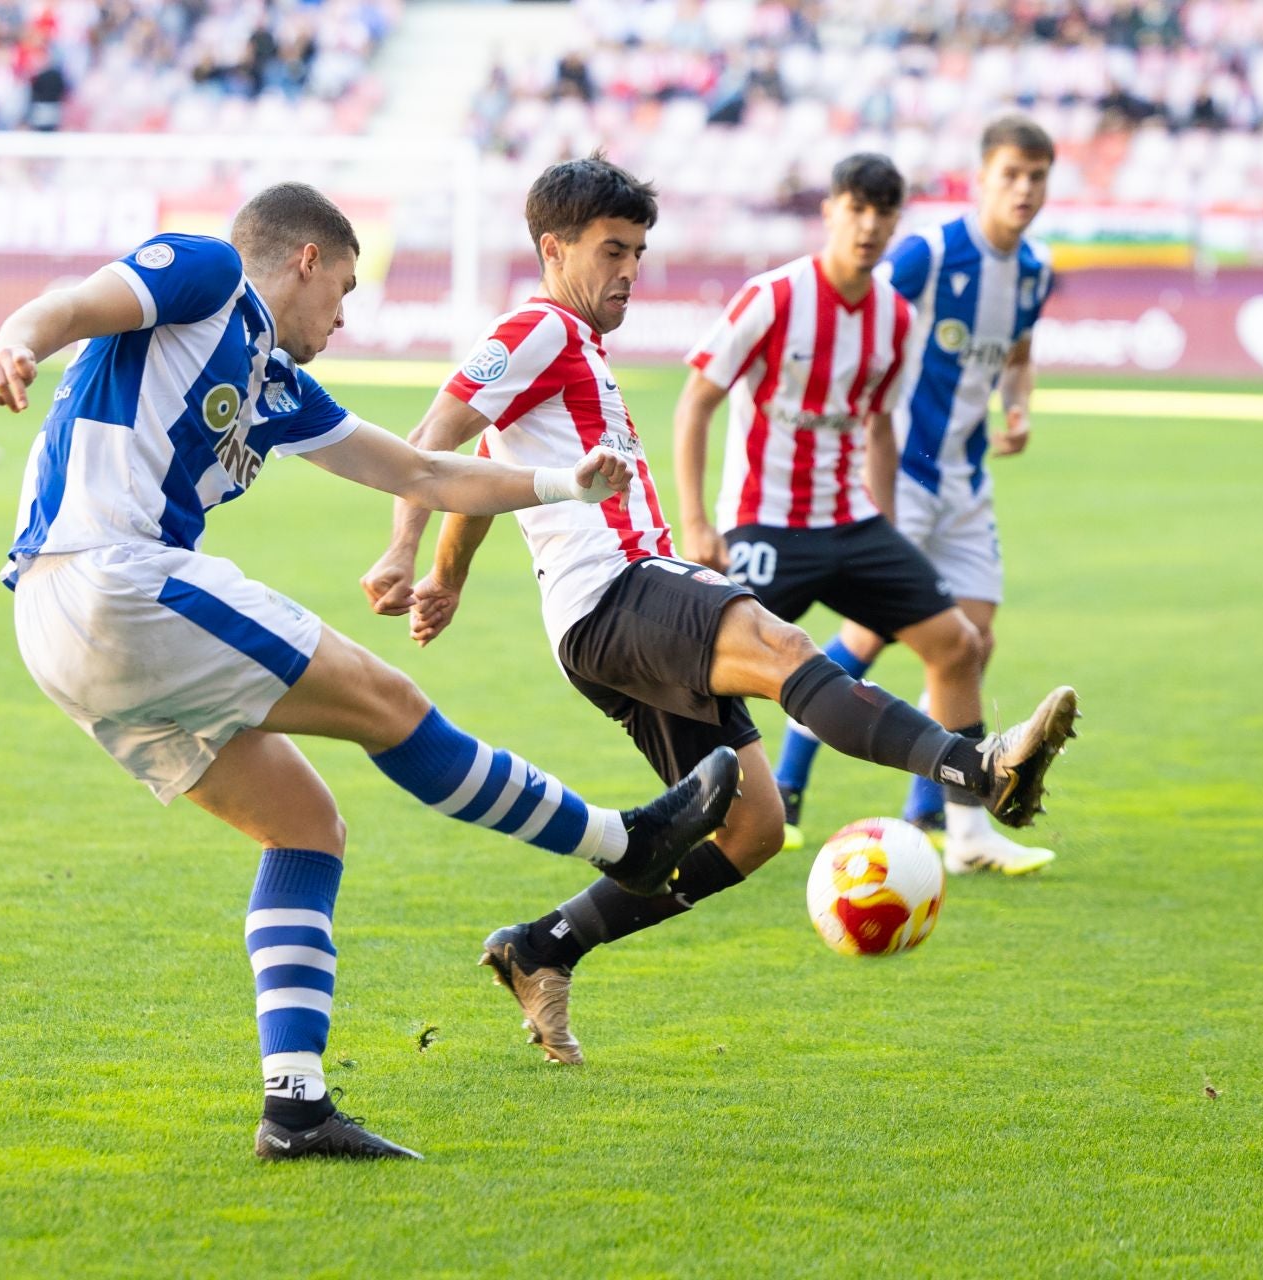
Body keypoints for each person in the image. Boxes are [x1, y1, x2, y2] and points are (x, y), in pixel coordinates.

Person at [0, 182, 741, 1161]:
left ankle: (294, 1108)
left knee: (305, 824)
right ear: (304, 258)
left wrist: (560, 481)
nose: (344, 316)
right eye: (342, 288)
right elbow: (80, 304)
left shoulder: (275, 384)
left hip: (60, 629)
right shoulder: (209, 274)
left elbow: (423, 472)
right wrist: (20, 342)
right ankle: (620, 842)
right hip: (111, 575)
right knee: (390, 702)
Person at [362, 155, 1076, 1066]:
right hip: (620, 590)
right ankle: (978, 768)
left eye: (640, 252)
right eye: (612, 251)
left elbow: (485, 468)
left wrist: (451, 574)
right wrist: (401, 549)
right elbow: (428, 444)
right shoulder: (536, 328)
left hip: (604, 620)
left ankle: (545, 947)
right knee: (781, 646)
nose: (629, 271)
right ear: (554, 248)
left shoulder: (574, 346)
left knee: (755, 830)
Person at [672, 151, 1024, 879]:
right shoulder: (771, 297)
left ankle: (965, 830)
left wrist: (887, 526)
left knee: (956, 644)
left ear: (896, 222)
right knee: (702, 675)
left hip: (852, 523)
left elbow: (881, 428)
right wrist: (699, 523)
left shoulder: (896, 317)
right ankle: (689, 817)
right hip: (765, 523)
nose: (868, 227)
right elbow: (697, 401)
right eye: (856, 210)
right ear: (831, 211)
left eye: (882, 214)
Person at [774, 115, 1058, 875]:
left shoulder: (1034, 270)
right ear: (981, 177)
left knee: (972, 643)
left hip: (966, 476)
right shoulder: (931, 253)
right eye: (1011, 175)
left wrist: (1019, 402)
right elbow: (857, 310)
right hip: (902, 468)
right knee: (869, 637)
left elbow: (1020, 349)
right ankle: (789, 786)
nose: (1024, 190)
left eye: (1037, 177)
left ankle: (942, 820)